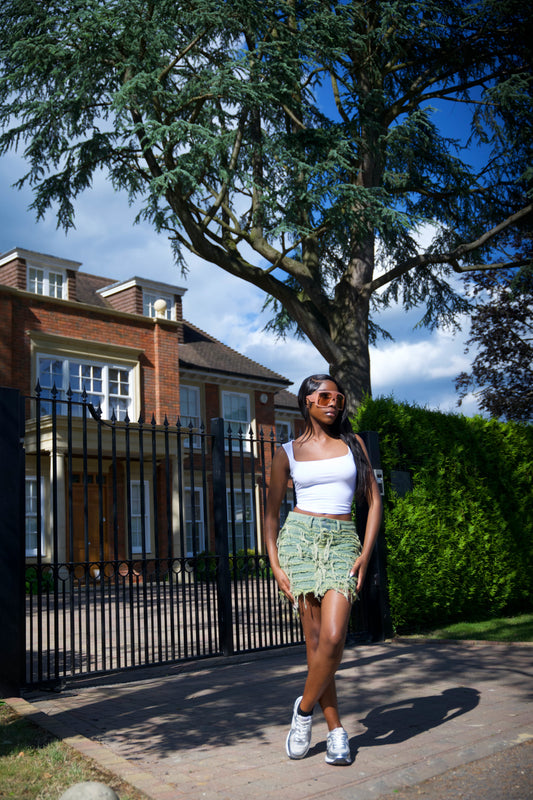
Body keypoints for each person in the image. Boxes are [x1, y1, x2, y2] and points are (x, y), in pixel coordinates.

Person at [265, 374, 382, 765]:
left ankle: (303, 710)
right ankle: (336, 732)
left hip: (343, 540)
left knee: (333, 639)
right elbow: (271, 513)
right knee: (315, 645)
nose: (334, 402)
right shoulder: (288, 452)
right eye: (325, 396)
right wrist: (274, 562)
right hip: (299, 539)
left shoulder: (354, 444)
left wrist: (365, 554)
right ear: (307, 401)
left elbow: (374, 502)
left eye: (339, 397)